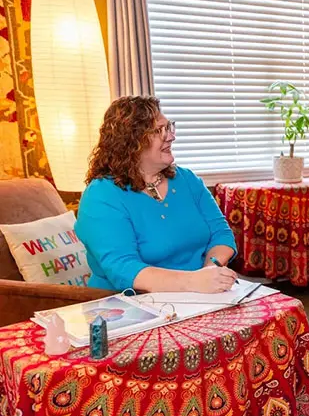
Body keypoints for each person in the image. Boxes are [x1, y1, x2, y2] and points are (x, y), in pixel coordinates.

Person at [75, 96, 239, 293]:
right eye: (159, 130)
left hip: (200, 297)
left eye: (169, 127)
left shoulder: (187, 179)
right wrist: (193, 282)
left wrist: (211, 272)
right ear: (131, 142)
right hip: (129, 305)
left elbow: (221, 234)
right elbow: (123, 268)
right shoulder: (101, 195)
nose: (171, 136)